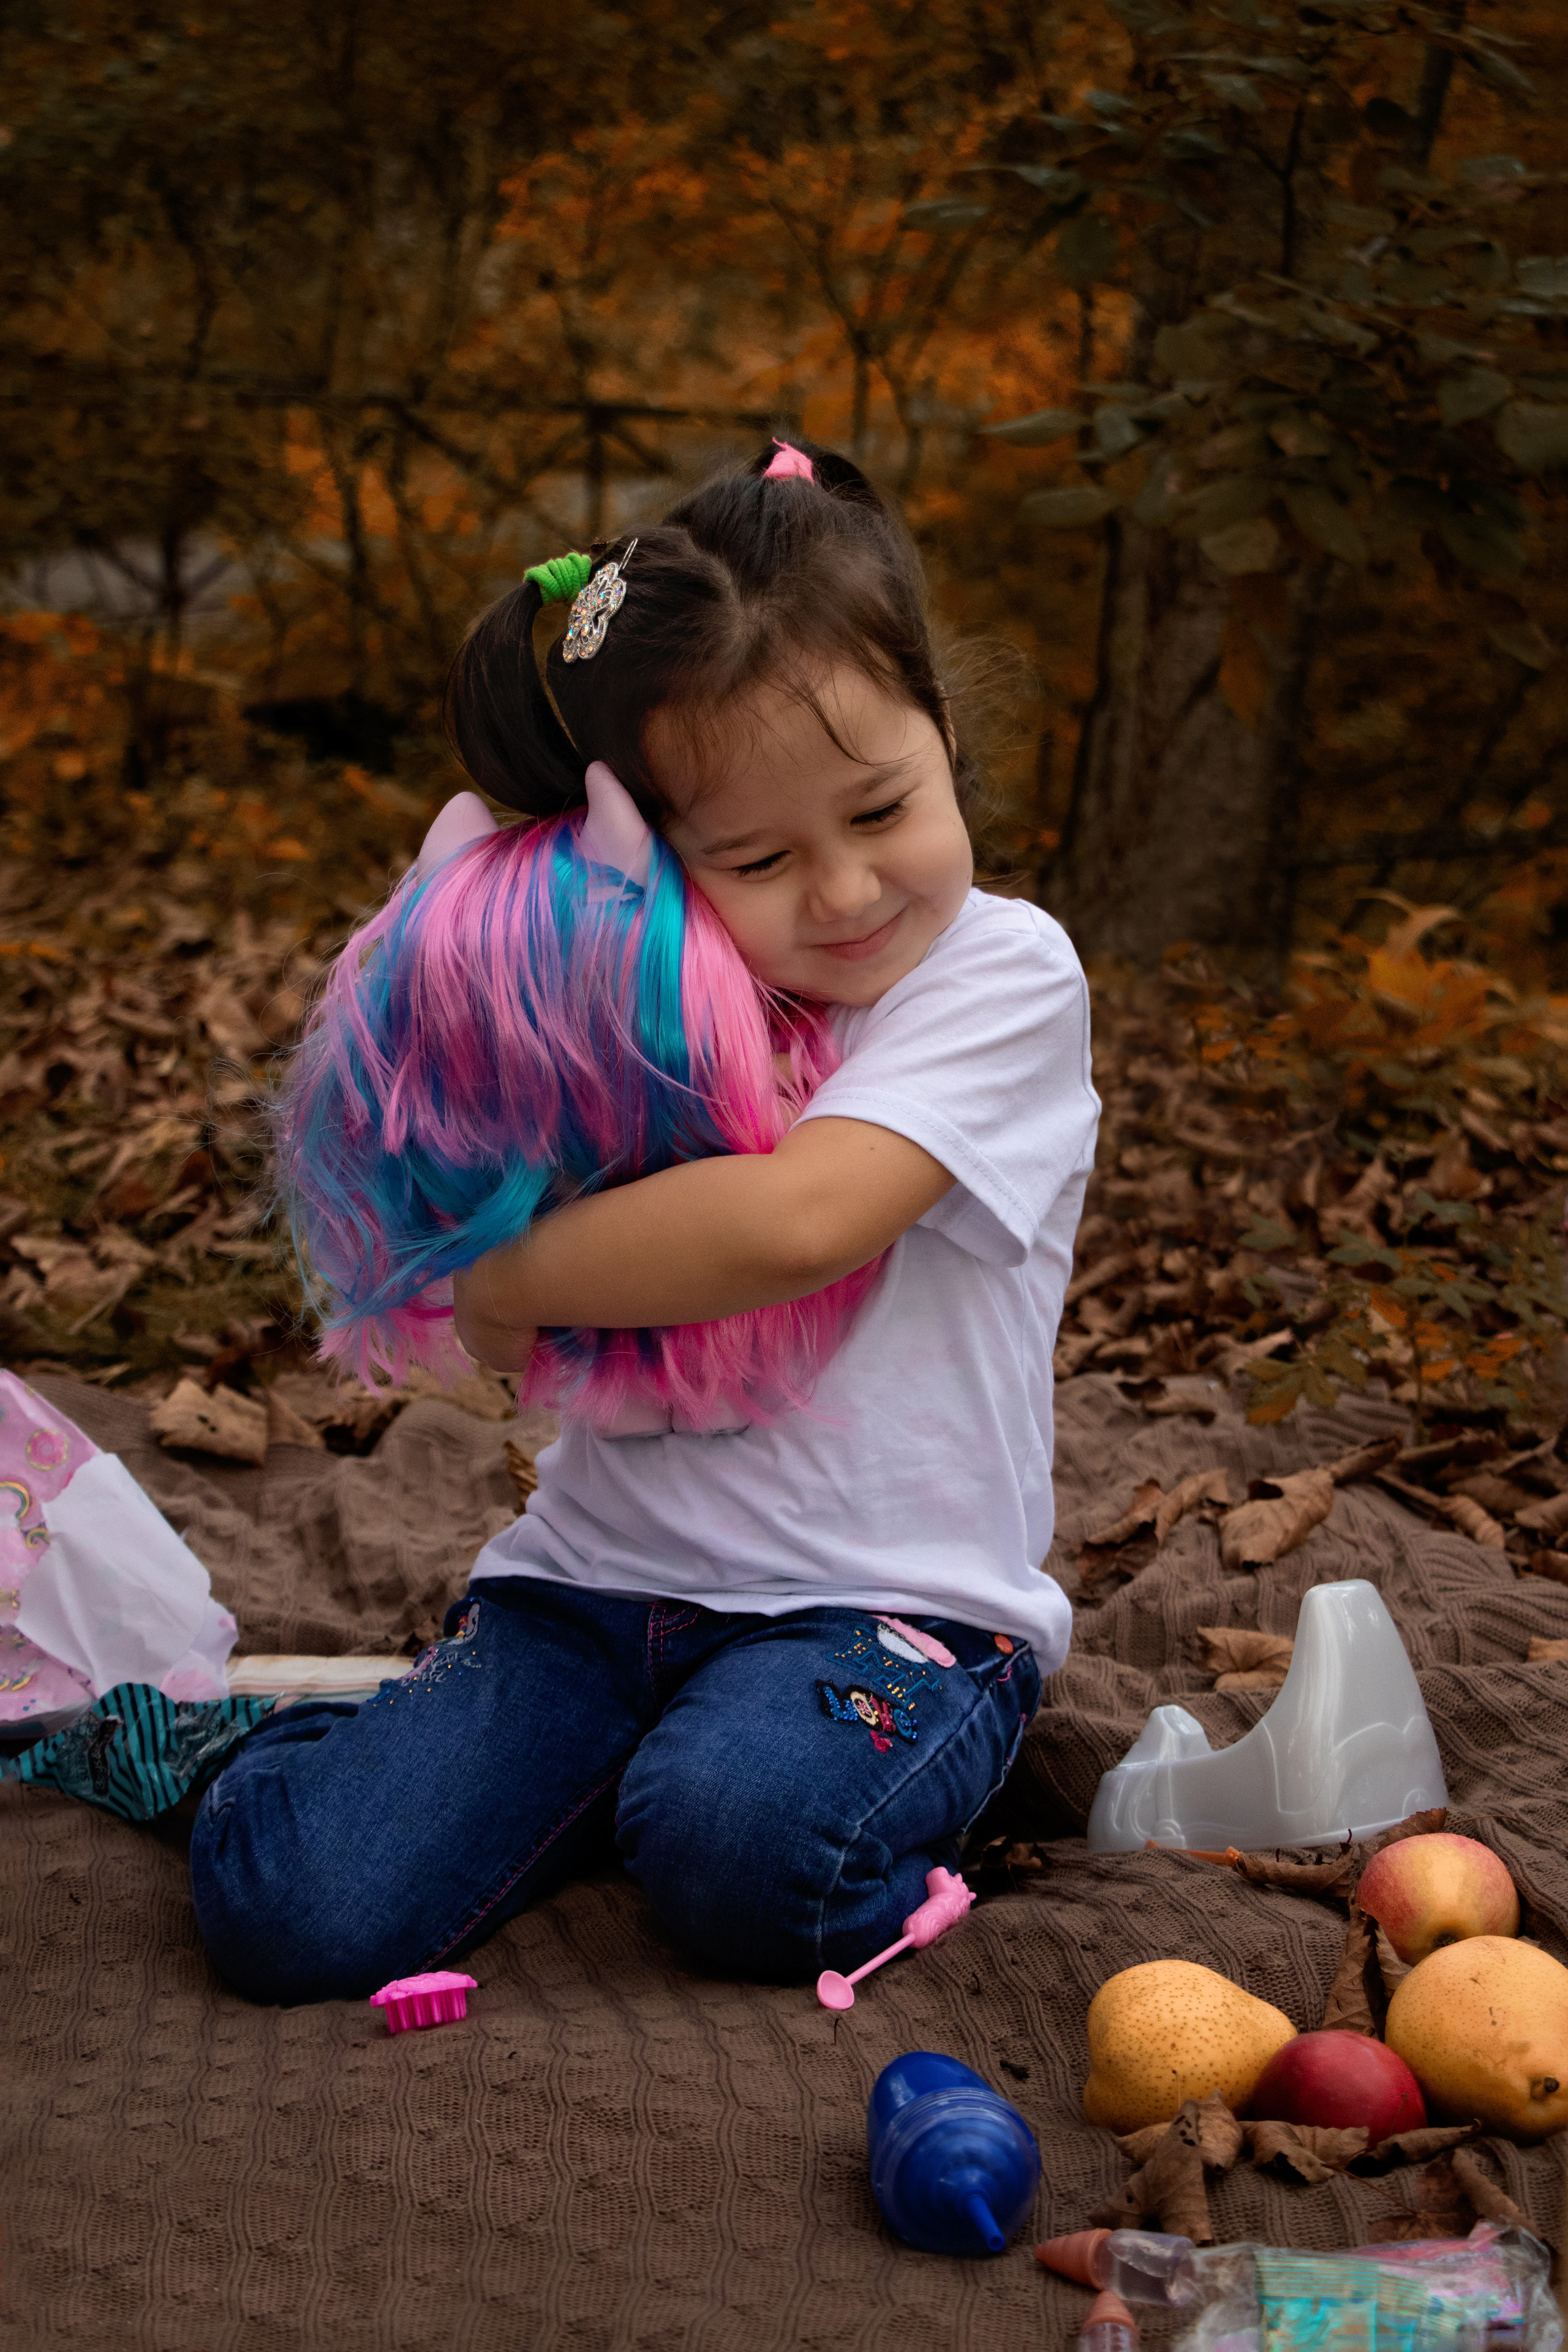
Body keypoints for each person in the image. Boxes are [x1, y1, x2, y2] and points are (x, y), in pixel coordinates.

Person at [188, 437, 1099, 2004]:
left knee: (745, 1847)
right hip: (588, 1589)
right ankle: (296, 1743)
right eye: (756, 858)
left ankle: (821, 1794)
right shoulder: (638, 999)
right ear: (663, 857)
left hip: (880, 1613)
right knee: (293, 1912)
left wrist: (510, 1274)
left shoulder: (999, 976)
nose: (843, 891)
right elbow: (482, 1141)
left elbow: (801, 1218)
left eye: (882, 808)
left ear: (944, 738)